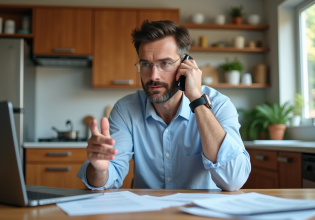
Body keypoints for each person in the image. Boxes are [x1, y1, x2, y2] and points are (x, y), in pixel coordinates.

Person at [77, 20, 251, 191]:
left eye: (165, 63)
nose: (154, 76)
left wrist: (197, 99)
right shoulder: (126, 110)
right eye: (146, 64)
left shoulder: (219, 105)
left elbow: (233, 180)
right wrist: (100, 170)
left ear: (185, 64)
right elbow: (108, 176)